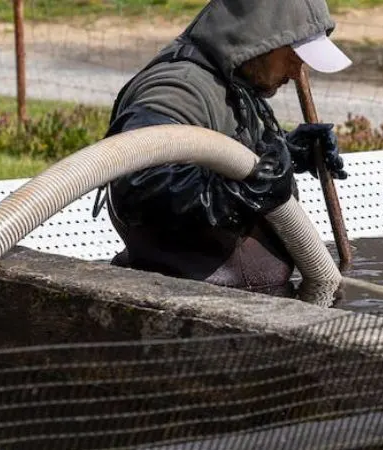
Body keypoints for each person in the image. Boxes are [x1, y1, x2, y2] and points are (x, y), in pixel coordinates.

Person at [99, 0, 352, 296]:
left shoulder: (232, 82)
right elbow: (138, 184)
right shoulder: (179, 89)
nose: (298, 72)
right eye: (294, 56)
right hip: (187, 304)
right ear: (259, 42)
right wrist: (238, 195)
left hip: (247, 299)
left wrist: (290, 151)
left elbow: (224, 154)